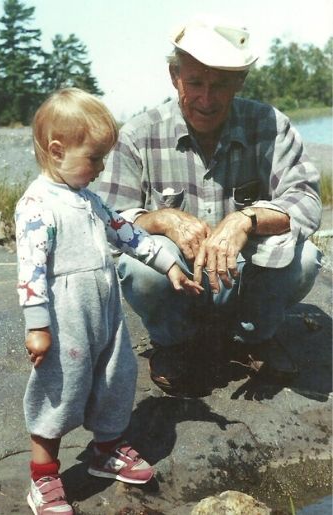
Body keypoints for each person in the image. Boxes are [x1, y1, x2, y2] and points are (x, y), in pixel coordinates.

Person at [93, 17, 323, 391]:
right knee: (138, 269)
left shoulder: (269, 125)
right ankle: (174, 342)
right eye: (195, 82)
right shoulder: (138, 134)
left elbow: (306, 200)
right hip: (179, 279)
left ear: (239, 83)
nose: (206, 98)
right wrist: (161, 219)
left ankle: (254, 337)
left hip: (246, 274)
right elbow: (110, 220)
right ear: (174, 76)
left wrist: (246, 219)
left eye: (219, 85)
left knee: (306, 258)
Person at [16, 88, 203, 514]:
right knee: (57, 391)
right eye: (94, 158)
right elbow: (30, 271)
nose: (101, 168)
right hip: (67, 317)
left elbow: (130, 234)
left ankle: (106, 451)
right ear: (57, 150)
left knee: (115, 378)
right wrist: (38, 326)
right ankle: (43, 479)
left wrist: (170, 265)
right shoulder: (37, 204)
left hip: (106, 313)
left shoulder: (90, 200)